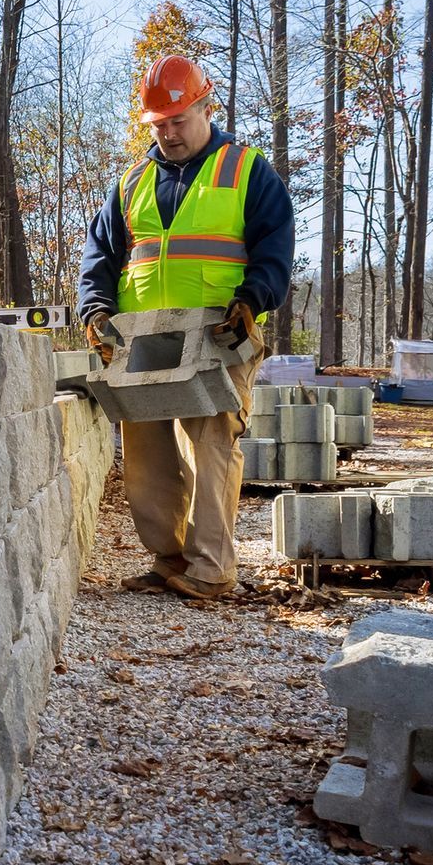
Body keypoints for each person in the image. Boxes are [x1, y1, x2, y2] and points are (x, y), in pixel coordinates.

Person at [77, 54, 294, 601]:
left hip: (221, 327)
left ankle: (211, 568)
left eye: (179, 121)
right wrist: (95, 309)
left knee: (212, 444)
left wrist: (252, 300)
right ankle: (167, 558)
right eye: (159, 125)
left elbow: (275, 249)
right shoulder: (131, 182)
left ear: (204, 107)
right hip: (143, 330)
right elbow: (100, 255)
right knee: (146, 450)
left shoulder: (247, 170)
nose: (169, 134)